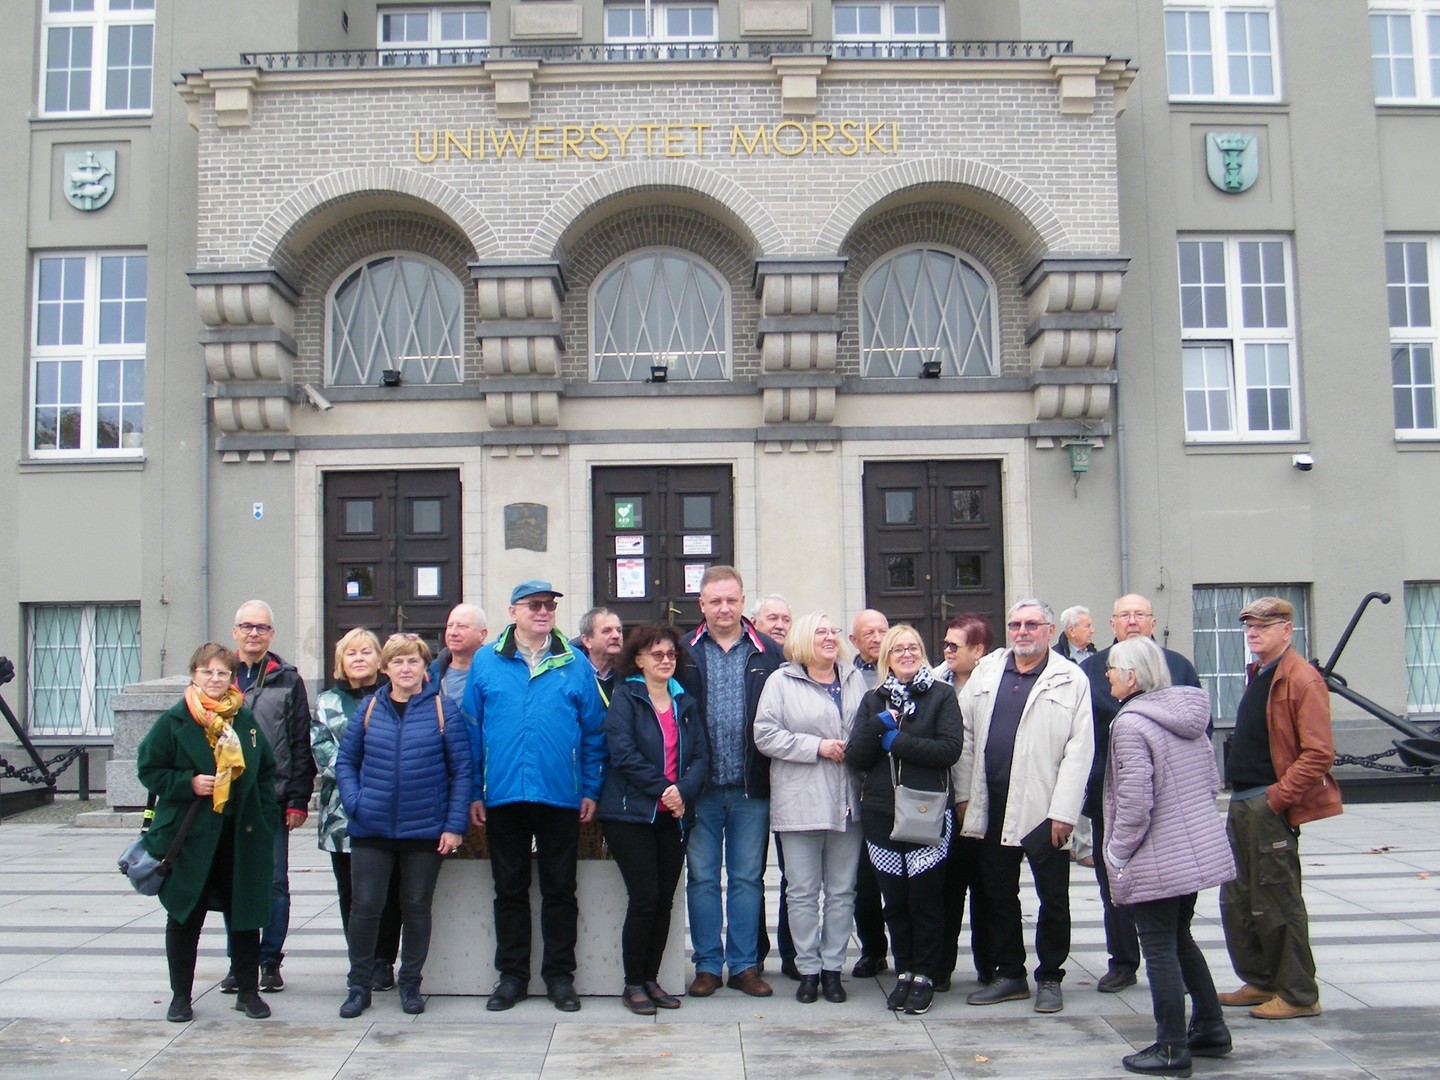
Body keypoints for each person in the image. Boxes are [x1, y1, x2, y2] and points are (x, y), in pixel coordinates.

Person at [465, 580, 607, 1013]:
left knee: (560, 889)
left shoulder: (575, 663)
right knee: (509, 889)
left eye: (549, 605)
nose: (543, 611)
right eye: (533, 605)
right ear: (513, 612)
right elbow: (471, 729)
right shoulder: (486, 661)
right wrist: (473, 790)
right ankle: (512, 977)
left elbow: (594, 731)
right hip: (504, 792)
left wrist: (590, 787)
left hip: (559, 793)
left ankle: (560, 977)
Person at [1103, 636, 1234, 1077]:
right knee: (1179, 938)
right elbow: (1211, 780)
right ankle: (1211, 1027)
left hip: (1156, 853)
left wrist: (1117, 852)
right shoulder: (1186, 715)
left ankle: (1172, 1047)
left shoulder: (1131, 723)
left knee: (1158, 947)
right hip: (1190, 850)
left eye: (1113, 667)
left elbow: (1134, 802)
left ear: (1131, 677)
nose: (1107, 674)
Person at [955, 599, 1092, 1014]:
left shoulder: (1070, 678)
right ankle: (1010, 974)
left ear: (1050, 630)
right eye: (1015, 624)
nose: (1022, 631)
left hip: (1045, 810)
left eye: (1032, 624)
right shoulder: (987, 671)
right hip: (992, 804)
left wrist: (1064, 812)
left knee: (1054, 898)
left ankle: (1050, 976)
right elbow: (964, 734)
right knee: (998, 894)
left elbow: (1080, 749)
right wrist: (963, 795)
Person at [137, 642, 280, 1023]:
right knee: (184, 918)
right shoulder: (175, 720)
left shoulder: (243, 719)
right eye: (208, 672)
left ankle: (248, 992)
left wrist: (265, 817)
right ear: (194, 675)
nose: (215, 679)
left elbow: (266, 771)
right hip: (190, 838)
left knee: (245, 916)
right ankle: (180, 996)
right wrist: (187, 783)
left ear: (232, 678)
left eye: (222, 673)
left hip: (240, 835)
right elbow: (149, 769)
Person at [336, 633, 472, 1018]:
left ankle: (410, 982)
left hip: (424, 829)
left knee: (415, 907)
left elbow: (462, 770)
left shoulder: (443, 709)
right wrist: (355, 801)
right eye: (397, 662)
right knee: (365, 907)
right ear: (385, 669)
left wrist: (454, 825)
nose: (406, 668)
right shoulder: (368, 709)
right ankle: (359, 985)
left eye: (413, 661)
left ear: (425, 667)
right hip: (372, 827)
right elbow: (346, 762)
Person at [1217, 596, 1341, 1020]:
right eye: (1249, 626)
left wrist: (1277, 799)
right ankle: (1261, 980)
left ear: (1287, 630)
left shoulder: (1301, 679)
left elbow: (1319, 754)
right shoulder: (1262, 673)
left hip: (1266, 804)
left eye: (1263, 626)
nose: (1253, 633)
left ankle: (1298, 994)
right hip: (1243, 802)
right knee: (1238, 898)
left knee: (1277, 900)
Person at [1080, 593, 1203, 994]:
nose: (1132, 621)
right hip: (1110, 794)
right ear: (1112, 624)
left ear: (1153, 622)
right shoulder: (1092, 670)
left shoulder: (1177, 666)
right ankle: (1123, 961)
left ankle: (1173, 953)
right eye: (1124, 615)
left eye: (1140, 614)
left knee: (1174, 885)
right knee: (1113, 883)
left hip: (1170, 799)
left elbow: (1195, 728)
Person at [845, 624, 963, 1016]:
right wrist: (880, 725)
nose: (907, 654)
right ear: (887, 658)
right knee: (895, 901)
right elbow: (856, 757)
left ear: (922, 653)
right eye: (898, 650)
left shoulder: (941, 695)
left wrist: (899, 743)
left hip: (927, 810)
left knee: (924, 899)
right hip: (882, 812)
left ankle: (926, 974)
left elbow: (949, 749)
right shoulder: (873, 700)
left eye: (913, 648)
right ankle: (905, 971)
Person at [754, 612, 868, 1004]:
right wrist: (816, 746)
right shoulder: (781, 681)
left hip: (847, 801)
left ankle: (833, 969)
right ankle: (808, 969)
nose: (831, 637)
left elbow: (866, 727)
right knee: (802, 891)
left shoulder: (853, 678)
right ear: (804, 639)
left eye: (834, 631)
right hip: (800, 800)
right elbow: (765, 734)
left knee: (842, 891)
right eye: (821, 632)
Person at [680, 566, 783, 999]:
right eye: (715, 601)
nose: (724, 608)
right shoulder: (682, 651)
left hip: (749, 786)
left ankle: (744, 965)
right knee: (702, 878)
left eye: (731, 600)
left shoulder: (769, 653)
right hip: (700, 789)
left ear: (743, 603)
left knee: (747, 878)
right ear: (701, 605)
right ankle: (707, 964)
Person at [597, 623, 709, 1015]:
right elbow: (623, 753)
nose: (666, 660)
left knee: (664, 901)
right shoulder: (626, 697)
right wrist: (665, 789)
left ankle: (651, 979)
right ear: (639, 660)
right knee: (644, 898)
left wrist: (683, 792)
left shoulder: (684, 701)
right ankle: (633, 983)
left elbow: (700, 757)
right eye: (657, 654)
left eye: (671, 654)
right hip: (631, 814)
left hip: (673, 817)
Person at [226, 600, 316, 994]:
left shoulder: (288, 679)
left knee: (275, 881)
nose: (253, 633)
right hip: (228, 798)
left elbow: (299, 742)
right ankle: (239, 962)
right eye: (247, 626)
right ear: (235, 632)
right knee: (234, 882)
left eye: (261, 627)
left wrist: (298, 799)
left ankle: (269, 960)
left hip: (272, 797)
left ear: (272, 634)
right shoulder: (221, 672)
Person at [310, 627, 403, 993]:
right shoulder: (327, 703)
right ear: (341, 661)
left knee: (389, 890)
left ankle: (383, 960)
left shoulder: (394, 696)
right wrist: (362, 778)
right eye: (351, 653)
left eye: (366, 651)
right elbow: (323, 752)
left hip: (389, 807)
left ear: (379, 660)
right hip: (342, 813)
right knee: (352, 891)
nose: (359, 658)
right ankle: (360, 960)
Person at [938, 612, 996, 992]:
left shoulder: (995, 686)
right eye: (945, 644)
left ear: (978, 650)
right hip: (942, 805)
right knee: (946, 891)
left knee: (987, 891)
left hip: (985, 801)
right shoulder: (933, 682)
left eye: (954, 645)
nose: (947, 651)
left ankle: (989, 967)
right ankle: (940, 968)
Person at [748, 592, 795, 978]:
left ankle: (794, 954)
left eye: (785, 619)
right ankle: (753, 952)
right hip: (752, 782)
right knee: (751, 875)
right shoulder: (750, 657)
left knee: (795, 875)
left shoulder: (797, 663)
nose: (779, 625)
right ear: (754, 623)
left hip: (792, 784)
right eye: (772, 618)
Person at [846, 607, 892, 979]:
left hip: (901, 790)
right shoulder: (846, 677)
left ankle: (909, 951)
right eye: (869, 633)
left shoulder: (906, 671)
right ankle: (873, 950)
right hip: (860, 789)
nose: (877, 639)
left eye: (882, 631)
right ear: (854, 641)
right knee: (863, 879)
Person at [430, 604, 488, 719]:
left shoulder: (495, 672)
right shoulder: (431, 673)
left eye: (461, 627)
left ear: (482, 634)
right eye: (450, 626)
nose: (453, 632)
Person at [578, 607, 624, 705]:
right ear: (587, 641)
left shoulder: (633, 673)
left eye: (619, 630)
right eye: (607, 631)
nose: (616, 636)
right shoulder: (574, 675)